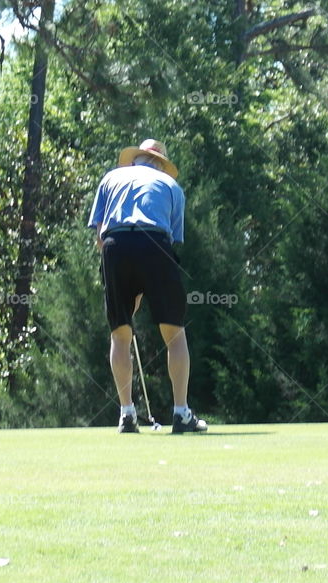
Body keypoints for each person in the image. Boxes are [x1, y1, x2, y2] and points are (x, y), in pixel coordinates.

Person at [88, 139, 207, 435]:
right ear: (161, 162)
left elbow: (100, 237)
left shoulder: (111, 177)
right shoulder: (170, 186)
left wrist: (130, 290)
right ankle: (181, 414)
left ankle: (126, 414)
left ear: (137, 158)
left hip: (115, 245)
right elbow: (172, 239)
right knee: (174, 332)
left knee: (120, 333)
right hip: (155, 242)